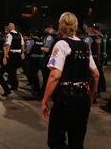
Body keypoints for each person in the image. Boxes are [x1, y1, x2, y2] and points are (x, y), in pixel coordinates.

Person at [41, 12, 99, 148]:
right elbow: (95, 75)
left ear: (61, 27)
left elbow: (55, 75)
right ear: (76, 26)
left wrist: (44, 100)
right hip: (83, 98)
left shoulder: (61, 44)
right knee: (77, 142)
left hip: (66, 100)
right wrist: (90, 98)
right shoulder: (85, 46)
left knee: (55, 141)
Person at [84, 24, 106, 103]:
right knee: (95, 78)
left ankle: (89, 96)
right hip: (97, 59)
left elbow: (86, 49)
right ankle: (95, 95)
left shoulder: (88, 39)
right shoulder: (98, 37)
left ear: (89, 29)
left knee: (89, 78)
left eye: (86, 27)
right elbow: (99, 51)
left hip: (91, 60)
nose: (85, 29)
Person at [4, 22, 24, 91]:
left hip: (12, 54)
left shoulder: (9, 35)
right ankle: (11, 82)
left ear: (11, 27)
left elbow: (8, 46)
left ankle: (14, 85)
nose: (7, 28)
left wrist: (5, 55)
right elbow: (22, 44)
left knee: (11, 70)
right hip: (18, 55)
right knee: (14, 70)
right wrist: (22, 53)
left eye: (8, 26)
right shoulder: (20, 34)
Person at [41, 23, 59, 95]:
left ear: (48, 28)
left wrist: (41, 48)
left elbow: (47, 50)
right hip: (56, 59)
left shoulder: (50, 37)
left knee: (46, 77)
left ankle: (43, 94)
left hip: (49, 59)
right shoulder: (58, 35)